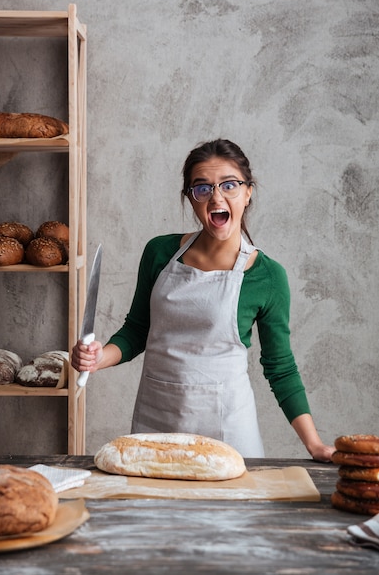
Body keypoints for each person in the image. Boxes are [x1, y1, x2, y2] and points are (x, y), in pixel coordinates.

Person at [72, 138, 334, 461]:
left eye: (229, 185)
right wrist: (98, 358)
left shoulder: (267, 277)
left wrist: (315, 445)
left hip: (228, 434)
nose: (217, 197)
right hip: (156, 426)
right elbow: (137, 331)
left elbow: (280, 369)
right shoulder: (159, 253)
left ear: (248, 192)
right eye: (202, 188)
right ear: (191, 199)